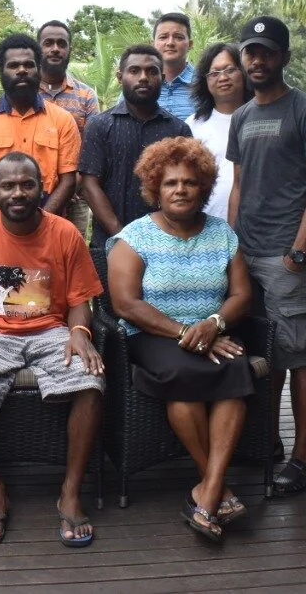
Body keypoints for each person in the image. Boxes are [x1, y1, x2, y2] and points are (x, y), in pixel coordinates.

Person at [0, 152, 105, 547]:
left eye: (27, 184)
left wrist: (79, 331)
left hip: (51, 331)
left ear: (41, 188)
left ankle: (70, 491)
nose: (18, 193)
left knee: (91, 379)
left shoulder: (65, 232)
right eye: (8, 185)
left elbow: (80, 298)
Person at [106, 137, 253, 542]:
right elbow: (125, 304)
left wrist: (214, 324)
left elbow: (242, 294)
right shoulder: (135, 237)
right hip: (153, 334)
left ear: (203, 187)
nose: (180, 190)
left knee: (235, 368)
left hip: (211, 330)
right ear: (155, 188)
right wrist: (186, 331)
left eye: (190, 182)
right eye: (170, 182)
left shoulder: (222, 234)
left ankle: (208, 489)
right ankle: (218, 489)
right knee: (183, 371)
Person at [227, 15, 306, 498]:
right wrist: (230, 247)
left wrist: (299, 249)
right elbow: (238, 186)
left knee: (298, 356)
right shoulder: (243, 116)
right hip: (246, 254)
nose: (257, 60)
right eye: (250, 52)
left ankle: (303, 458)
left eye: (267, 52)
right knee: (263, 355)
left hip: (285, 255)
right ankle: (268, 442)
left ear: (284, 57)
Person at [79, 44, 191, 252]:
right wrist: (123, 237)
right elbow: (89, 185)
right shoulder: (99, 125)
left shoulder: (178, 131)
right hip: (110, 244)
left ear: (162, 78)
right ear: (120, 77)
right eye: (134, 71)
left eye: (152, 71)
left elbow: (184, 188)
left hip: (165, 247)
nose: (143, 77)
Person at [0, 33, 81, 217]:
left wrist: (41, 222)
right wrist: (6, 223)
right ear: (0, 71)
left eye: (29, 65)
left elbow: (68, 180)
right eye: (13, 65)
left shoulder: (62, 120)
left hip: (49, 215)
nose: (22, 70)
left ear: (39, 69)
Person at [37, 20, 100, 236]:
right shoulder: (25, 91)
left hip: (75, 197)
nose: (55, 49)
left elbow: (92, 149)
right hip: (32, 193)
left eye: (61, 44)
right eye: (48, 43)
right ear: (38, 48)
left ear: (69, 49)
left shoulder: (86, 95)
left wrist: (71, 185)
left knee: (71, 250)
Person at [186, 43, 251, 221]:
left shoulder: (260, 118)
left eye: (230, 70)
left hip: (256, 223)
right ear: (205, 80)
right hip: (206, 224)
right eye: (214, 73)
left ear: (243, 72)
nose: (223, 78)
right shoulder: (193, 125)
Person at [153, 13, 195, 120]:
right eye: (163, 37)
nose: (170, 43)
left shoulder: (205, 83)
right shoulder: (139, 84)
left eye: (178, 37)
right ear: (153, 44)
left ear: (190, 44)